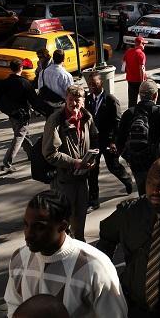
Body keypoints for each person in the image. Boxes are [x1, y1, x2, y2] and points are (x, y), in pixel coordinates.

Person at [4, 190, 127, 317]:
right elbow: (13, 305)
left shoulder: (95, 266)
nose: (28, 234)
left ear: (62, 226)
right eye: (26, 225)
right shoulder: (19, 258)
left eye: (39, 227)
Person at [97, 157, 160, 318]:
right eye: (150, 183)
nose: (155, 190)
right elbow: (106, 240)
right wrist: (105, 277)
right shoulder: (129, 213)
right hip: (132, 308)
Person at [42, 85, 99, 242]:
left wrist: (91, 159)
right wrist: (75, 162)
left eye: (77, 100)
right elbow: (50, 153)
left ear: (83, 102)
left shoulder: (86, 117)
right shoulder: (55, 120)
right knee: (63, 222)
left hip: (82, 179)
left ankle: (79, 249)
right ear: (66, 100)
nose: (74, 104)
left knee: (80, 220)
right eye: (71, 100)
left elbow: (94, 139)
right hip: (63, 181)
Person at [117, 80, 160, 196]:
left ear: (140, 95)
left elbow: (119, 140)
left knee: (144, 194)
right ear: (155, 95)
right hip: (157, 163)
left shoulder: (129, 113)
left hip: (137, 164)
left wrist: (129, 157)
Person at [84, 71, 132, 210]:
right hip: (93, 141)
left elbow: (118, 123)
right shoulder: (87, 99)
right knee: (92, 171)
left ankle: (126, 179)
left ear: (101, 83)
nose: (92, 86)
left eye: (94, 83)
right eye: (89, 84)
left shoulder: (110, 100)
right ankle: (93, 200)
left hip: (108, 140)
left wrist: (114, 141)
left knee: (113, 166)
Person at [0, 59, 40, 173]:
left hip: (11, 114)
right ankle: (7, 163)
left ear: (10, 68)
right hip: (23, 115)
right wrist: (41, 111)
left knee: (24, 135)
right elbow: (34, 100)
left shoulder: (5, 82)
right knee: (19, 136)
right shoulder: (24, 83)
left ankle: (32, 155)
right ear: (21, 68)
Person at [123, 36, 148, 108]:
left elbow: (124, 64)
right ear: (141, 44)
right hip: (138, 81)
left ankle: (131, 114)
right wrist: (142, 81)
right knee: (143, 100)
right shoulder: (141, 54)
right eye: (144, 44)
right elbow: (142, 68)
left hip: (130, 80)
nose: (145, 45)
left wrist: (129, 71)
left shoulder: (129, 51)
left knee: (132, 100)